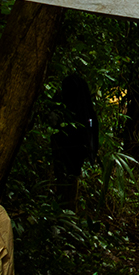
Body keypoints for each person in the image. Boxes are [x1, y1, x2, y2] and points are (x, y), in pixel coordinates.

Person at [49, 75, 99, 210]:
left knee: (67, 183)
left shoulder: (76, 107)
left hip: (72, 152)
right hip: (71, 152)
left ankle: (66, 212)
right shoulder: (80, 105)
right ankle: (66, 211)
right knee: (67, 183)